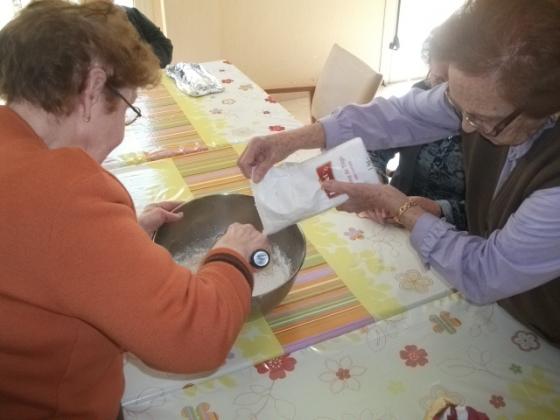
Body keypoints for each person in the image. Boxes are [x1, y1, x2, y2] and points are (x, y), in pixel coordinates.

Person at [0, 1, 267, 419]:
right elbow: (195, 337)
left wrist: (120, 236)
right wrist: (232, 255)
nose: (122, 133)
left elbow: (40, 258)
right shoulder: (65, 193)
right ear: (93, 89)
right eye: (128, 108)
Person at [238, 0, 560, 347]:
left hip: (544, 329)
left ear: (547, 105)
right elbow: (401, 116)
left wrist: (400, 207)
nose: (465, 126)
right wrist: (293, 140)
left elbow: (485, 273)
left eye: (483, 120)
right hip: (502, 309)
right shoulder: (487, 97)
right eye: (458, 107)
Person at [369, 43, 466, 230]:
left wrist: (439, 209)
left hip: (451, 233)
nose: (443, 95)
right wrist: (375, 182)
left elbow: (495, 214)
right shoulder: (421, 96)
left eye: (454, 85)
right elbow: (377, 146)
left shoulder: (492, 124)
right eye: (437, 80)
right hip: (393, 214)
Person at [83, 0, 173, 68]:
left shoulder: (132, 14)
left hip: (144, 82)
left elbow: (165, 47)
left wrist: (138, 59)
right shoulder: (79, 26)